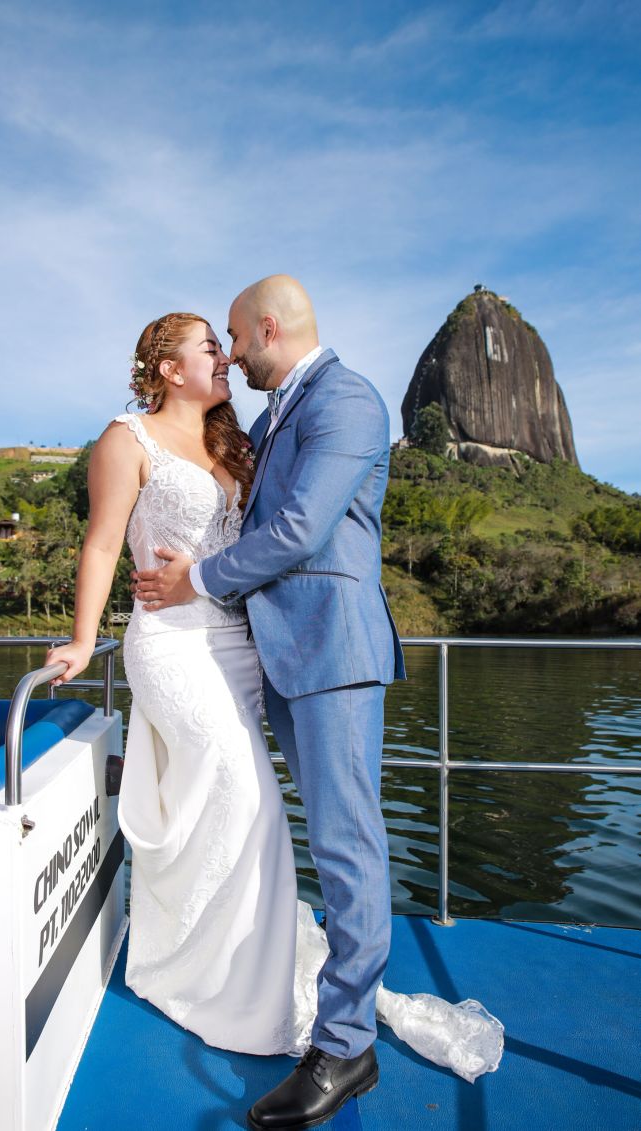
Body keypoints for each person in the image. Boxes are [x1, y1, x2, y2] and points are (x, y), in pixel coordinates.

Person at [48, 290, 502, 1131]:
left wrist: (196, 579)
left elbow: (295, 527)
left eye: (232, 340)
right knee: (261, 814)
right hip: (239, 650)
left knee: (338, 837)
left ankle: (343, 1041)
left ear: (266, 331)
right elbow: (110, 539)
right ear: (166, 368)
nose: (227, 356)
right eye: (208, 348)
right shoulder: (248, 425)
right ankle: (233, 974)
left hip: (321, 650)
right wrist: (85, 640)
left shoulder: (345, 400)